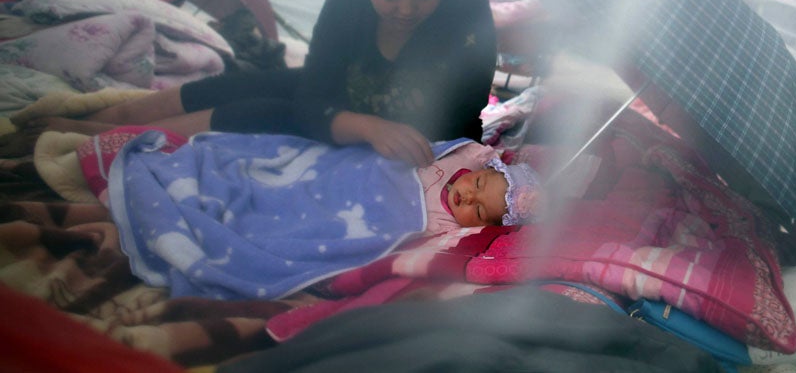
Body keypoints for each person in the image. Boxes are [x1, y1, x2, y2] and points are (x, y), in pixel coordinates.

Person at [21, 0, 497, 167]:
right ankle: (94, 120)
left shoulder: (467, 6)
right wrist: (369, 123)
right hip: (343, 102)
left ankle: (93, 138)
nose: (406, 9)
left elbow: (461, 113)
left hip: (384, 122)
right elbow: (317, 92)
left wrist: (375, 129)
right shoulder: (346, 1)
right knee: (231, 84)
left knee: (256, 110)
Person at [93, 129, 541, 299]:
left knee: (287, 229)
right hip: (343, 180)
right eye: (476, 185)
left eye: (478, 210)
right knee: (279, 172)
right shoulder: (449, 164)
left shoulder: (445, 228)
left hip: (368, 218)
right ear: (474, 171)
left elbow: (437, 248)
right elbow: (380, 159)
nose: (467, 197)